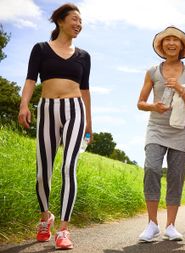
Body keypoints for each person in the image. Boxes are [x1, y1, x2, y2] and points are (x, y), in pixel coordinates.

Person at [17, 3, 92, 250]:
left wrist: (89, 124)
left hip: (75, 110)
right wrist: (23, 105)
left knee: (69, 167)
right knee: (43, 171)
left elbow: (85, 91)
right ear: (60, 21)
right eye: (74, 19)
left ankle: (63, 229)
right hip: (47, 109)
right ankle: (45, 218)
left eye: (80, 21)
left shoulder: (84, 56)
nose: (78, 24)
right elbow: (30, 80)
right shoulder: (41, 49)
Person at [137, 26, 185, 242]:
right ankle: (152, 224)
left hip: (181, 130)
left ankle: (171, 226)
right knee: (152, 168)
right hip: (156, 128)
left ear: (182, 46)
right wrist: (154, 106)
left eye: (176, 40)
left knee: (175, 176)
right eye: (167, 40)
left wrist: (181, 88)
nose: (171, 43)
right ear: (161, 46)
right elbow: (140, 103)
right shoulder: (152, 71)